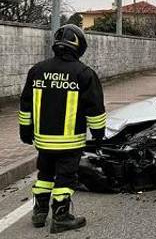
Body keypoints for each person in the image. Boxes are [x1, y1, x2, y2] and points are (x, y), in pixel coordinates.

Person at [18, 24, 106, 234]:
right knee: (65, 179)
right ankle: (60, 217)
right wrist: (98, 135)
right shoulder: (84, 73)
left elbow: (26, 104)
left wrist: (25, 131)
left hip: (43, 141)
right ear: (79, 45)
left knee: (44, 176)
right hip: (70, 142)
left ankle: (39, 214)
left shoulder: (37, 71)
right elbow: (95, 108)